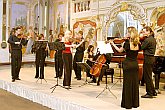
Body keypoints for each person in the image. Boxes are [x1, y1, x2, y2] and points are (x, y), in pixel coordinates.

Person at [110, 26, 140, 109]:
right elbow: (133, 53)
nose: (126, 34)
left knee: (127, 84)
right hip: (135, 64)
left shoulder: (126, 43)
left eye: (127, 32)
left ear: (130, 34)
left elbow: (119, 51)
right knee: (134, 84)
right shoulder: (138, 44)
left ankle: (127, 104)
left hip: (127, 64)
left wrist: (113, 44)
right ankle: (135, 103)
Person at [140, 26, 157, 98]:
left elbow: (141, 47)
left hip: (148, 58)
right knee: (149, 76)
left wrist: (139, 40)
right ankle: (153, 91)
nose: (143, 33)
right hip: (151, 58)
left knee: (147, 76)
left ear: (148, 32)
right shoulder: (152, 39)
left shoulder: (147, 40)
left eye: (144, 32)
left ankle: (149, 93)